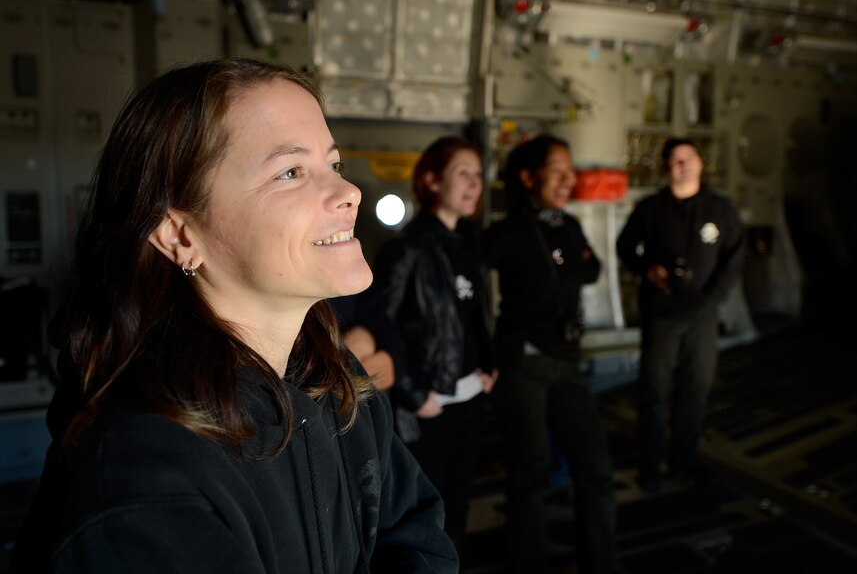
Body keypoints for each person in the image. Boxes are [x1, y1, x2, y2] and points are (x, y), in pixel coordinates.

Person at [14, 57, 457, 573]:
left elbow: (418, 538)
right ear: (181, 235)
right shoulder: (144, 482)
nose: (349, 192)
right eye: (291, 172)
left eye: (331, 165)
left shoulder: (330, 377)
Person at [483, 135, 616, 574]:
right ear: (528, 177)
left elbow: (591, 268)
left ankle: (601, 564)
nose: (567, 179)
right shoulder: (508, 232)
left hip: (566, 361)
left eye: (569, 170)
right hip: (525, 363)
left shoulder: (569, 225)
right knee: (531, 472)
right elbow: (472, 289)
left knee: (595, 468)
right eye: (557, 170)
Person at [371, 136, 497, 557]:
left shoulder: (469, 242)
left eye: (478, 175)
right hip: (428, 404)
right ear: (432, 180)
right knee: (426, 511)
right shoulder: (406, 249)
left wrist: (489, 364)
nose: (474, 184)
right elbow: (379, 325)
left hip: (470, 395)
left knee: (459, 501)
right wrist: (412, 395)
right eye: (463, 173)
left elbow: (476, 313)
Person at [616, 137, 744, 493]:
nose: (681, 165)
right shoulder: (651, 208)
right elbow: (625, 247)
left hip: (702, 315)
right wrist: (648, 268)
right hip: (663, 312)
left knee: (696, 389)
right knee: (654, 391)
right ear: (665, 168)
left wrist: (713, 299)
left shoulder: (720, 210)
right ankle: (651, 464)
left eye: (687, 158)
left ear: (700, 163)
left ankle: (684, 459)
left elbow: (734, 259)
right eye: (673, 160)